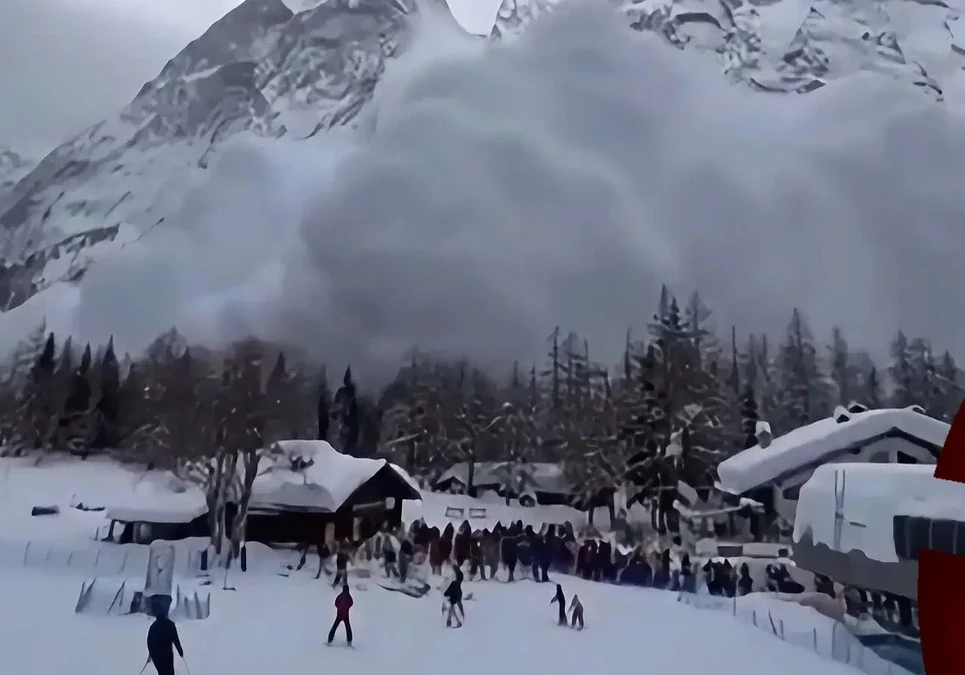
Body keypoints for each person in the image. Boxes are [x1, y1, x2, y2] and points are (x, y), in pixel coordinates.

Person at [146, 598, 184, 675]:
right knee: (170, 672)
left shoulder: (153, 626)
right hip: (167, 654)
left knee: (161, 672)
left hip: (156, 655)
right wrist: (180, 651)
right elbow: (175, 639)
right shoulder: (170, 624)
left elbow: (149, 641)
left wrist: (151, 653)